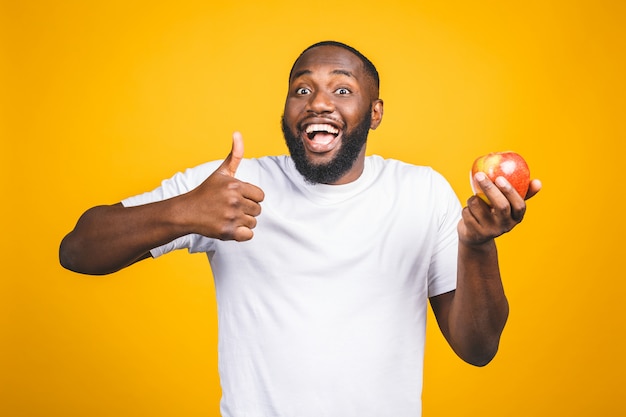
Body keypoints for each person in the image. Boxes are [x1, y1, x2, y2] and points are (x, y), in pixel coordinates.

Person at [60, 40, 541, 416]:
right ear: (287, 111)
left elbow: (478, 348)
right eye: (302, 89)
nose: (318, 103)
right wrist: (183, 211)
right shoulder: (229, 186)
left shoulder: (421, 191)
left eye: (343, 89)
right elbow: (78, 250)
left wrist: (477, 246)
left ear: (375, 114)